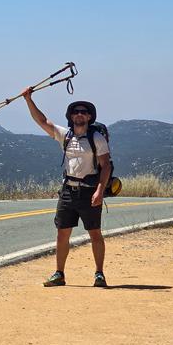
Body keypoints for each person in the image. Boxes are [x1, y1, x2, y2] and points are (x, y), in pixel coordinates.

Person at [20, 87, 111, 287]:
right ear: (71, 116)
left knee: (94, 232)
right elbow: (42, 121)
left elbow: (106, 166)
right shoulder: (65, 135)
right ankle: (59, 274)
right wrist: (28, 99)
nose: (79, 114)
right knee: (62, 233)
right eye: (76, 111)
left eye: (83, 112)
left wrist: (99, 190)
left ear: (89, 117)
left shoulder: (97, 138)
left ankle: (99, 274)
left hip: (89, 191)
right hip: (68, 190)